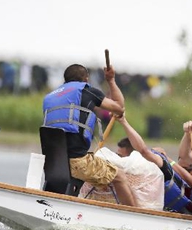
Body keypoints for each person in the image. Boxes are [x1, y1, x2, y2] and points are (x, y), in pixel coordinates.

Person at [42, 63, 136, 206]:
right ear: (86, 79)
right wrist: (111, 80)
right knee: (119, 176)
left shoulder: (50, 97)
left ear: (65, 80)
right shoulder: (87, 91)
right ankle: (134, 217)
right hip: (78, 162)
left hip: (53, 163)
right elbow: (119, 108)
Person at [116, 116, 192, 214]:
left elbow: (143, 151)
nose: (120, 160)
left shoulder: (159, 162)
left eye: (121, 156)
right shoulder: (132, 169)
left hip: (183, 212)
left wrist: (123, 121)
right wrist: (187, 134)